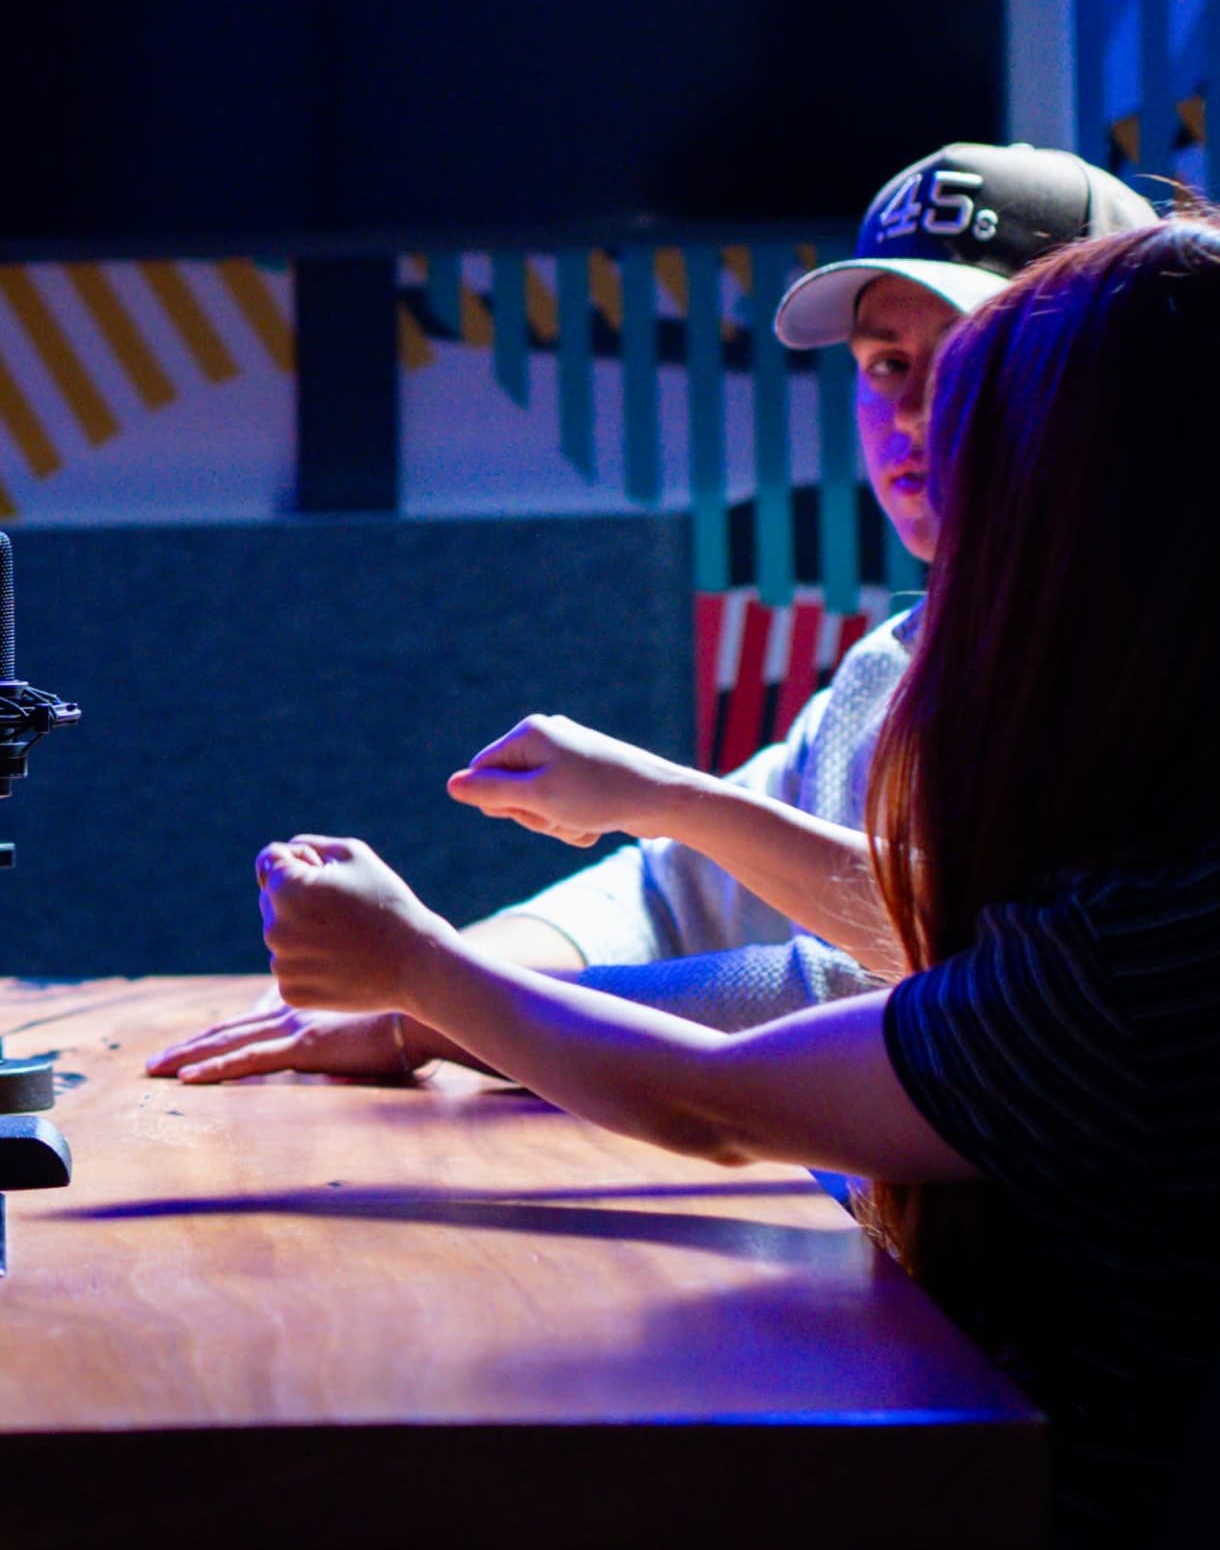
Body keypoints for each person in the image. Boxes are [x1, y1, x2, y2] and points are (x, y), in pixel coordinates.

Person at [117, 214, 1220, 1550]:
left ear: (1133, 537)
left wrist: (421, 963)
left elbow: (712, 1098)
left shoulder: (1152, 950)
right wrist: (610, 844)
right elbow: (917, 925)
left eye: (1008, 496)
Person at [152, 142, 1156, 1085]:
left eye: (972, 362)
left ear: (1101, 375)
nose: (911, 413)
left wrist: (440, 1005)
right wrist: (412, 985)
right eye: (885, 363)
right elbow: (674, 898)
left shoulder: (1154, 661)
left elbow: (901, 979)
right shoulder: (891, 667)